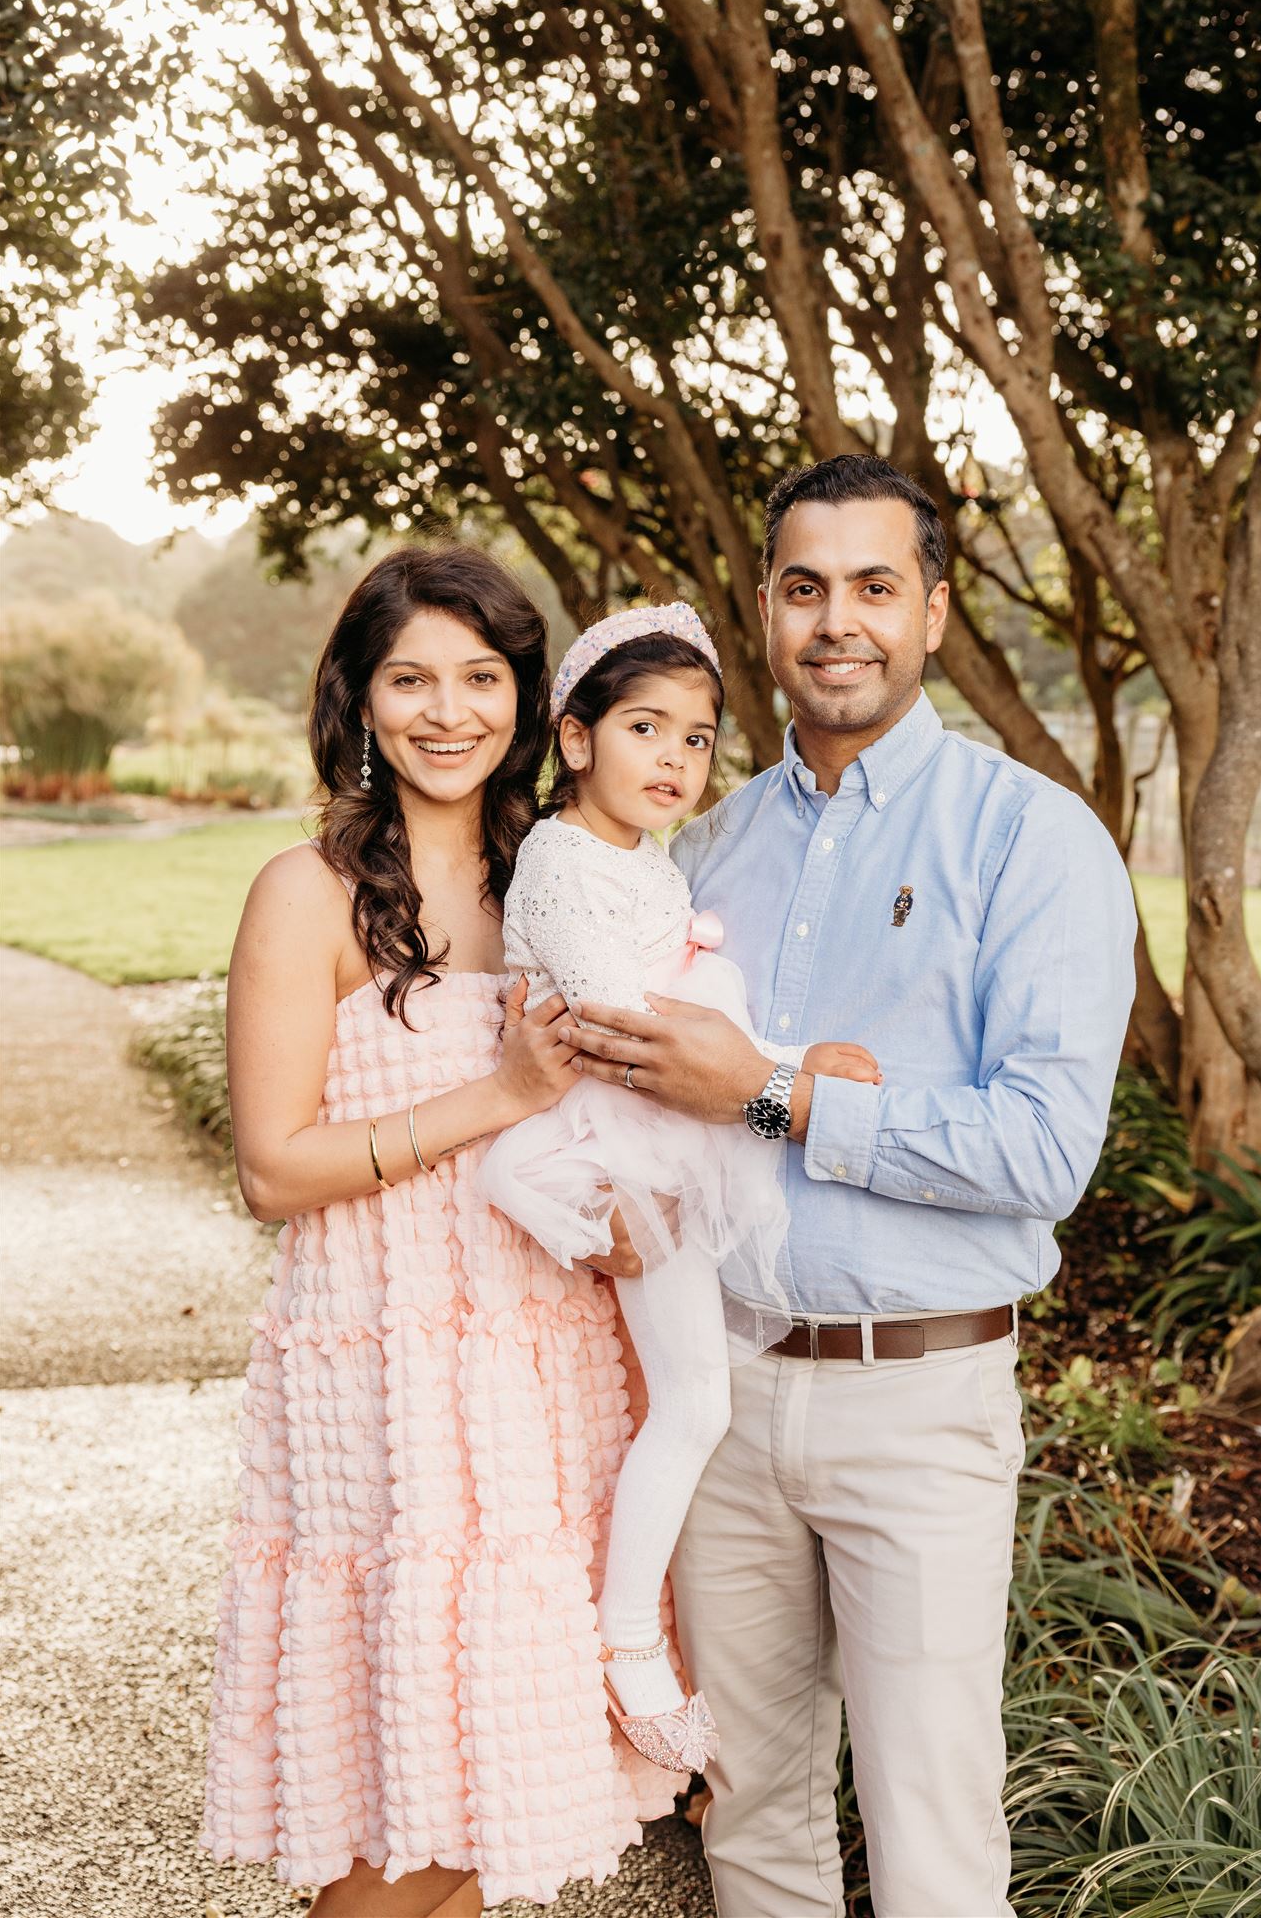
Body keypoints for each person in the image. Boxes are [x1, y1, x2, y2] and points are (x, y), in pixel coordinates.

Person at [562, 455, 1138, 1918]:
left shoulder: (1032, 838)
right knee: (751, 1833)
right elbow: (632, 1089)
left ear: (933, 612)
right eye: (805, 586)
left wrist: (771, 1091)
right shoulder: (708, 844)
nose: (838, 621)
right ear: (764, 610)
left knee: (933, 1845)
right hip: (723, 1400)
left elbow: (1040, 1152)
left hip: (920, 1408)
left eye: (874, 586)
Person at [203, 539, 685, 1918]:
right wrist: (502, 1092)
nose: (447, 709)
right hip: (388, 1385)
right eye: (409, 678)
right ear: (358, 700)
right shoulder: (309, 894)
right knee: (389, 1828)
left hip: (544, 1370)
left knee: (484, 1800)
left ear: (531, 704)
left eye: (481, 676)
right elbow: (275, 1170)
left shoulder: (559, 877)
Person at [477, 601, 880, 1775]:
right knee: (694, 1404)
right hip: (615, 1143)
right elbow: (623, 1018)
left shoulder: (639, 856)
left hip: (664, 1130)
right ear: (575, 737)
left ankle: (643, 1637)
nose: (674, 758)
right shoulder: (557, 864)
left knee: (695, 1401)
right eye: (645, 727)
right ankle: (627, 1649)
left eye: (698, 738)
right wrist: (800, 1068)